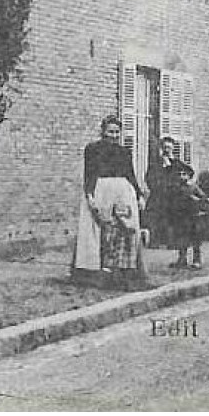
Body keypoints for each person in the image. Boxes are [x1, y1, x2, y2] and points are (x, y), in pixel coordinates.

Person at [71, 115, 148, 288]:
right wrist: (89, 194)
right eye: (110, 132)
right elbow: (89, 173)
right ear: (102, 132)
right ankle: (93, 270)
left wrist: (139, 195)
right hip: (101, 189)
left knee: (124, 226)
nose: (113, 136)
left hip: (123, 191)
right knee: (97, 228)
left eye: (116, 132)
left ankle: (123, 269)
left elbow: (130, 175)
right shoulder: (92, 149)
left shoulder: (124, 151)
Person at [167, 163, 209, 270]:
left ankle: (197, 260)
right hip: (181, 217)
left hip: (193, 217)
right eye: (179, 174)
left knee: (195, 239)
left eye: (184, 174)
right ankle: (182, 259)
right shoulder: (176, 187)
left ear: (189, 176)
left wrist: (196, 200)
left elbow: (204, 199)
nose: (181, 176)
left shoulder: (193, 187)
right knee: (182, 239)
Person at [143, 135, 185, 249]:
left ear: (173, 149)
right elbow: (149, 178)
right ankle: (154, 241)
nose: (167, 150)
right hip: (158, 195)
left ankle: (172, 242)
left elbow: (188, 173)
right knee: (154, 215)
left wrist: (171, 166)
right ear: (161, 148)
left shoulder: (177, 163)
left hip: (172, 196)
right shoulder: (155, 163)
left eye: (169, 148)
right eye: (165, 147)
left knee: (173, 216)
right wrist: (156, 187)